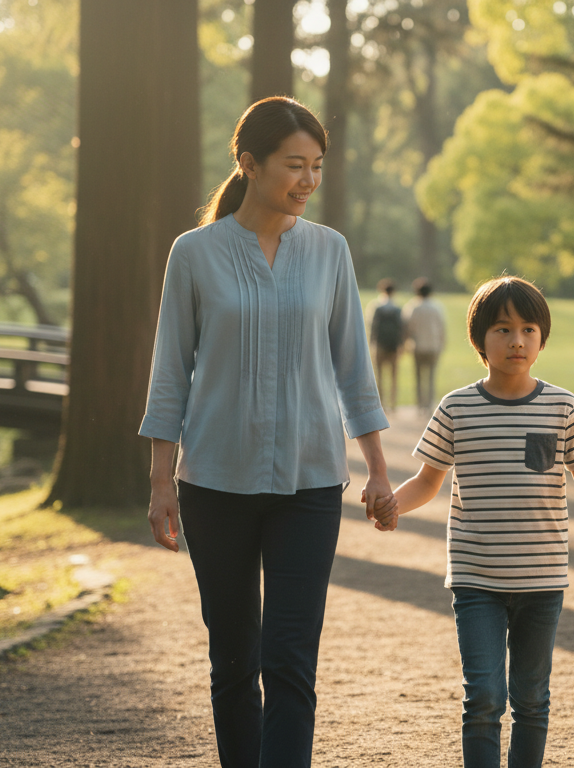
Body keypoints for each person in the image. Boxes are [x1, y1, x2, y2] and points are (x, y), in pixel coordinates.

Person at [139, 96, 395, 768]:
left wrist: (377, 467)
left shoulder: (330, 250)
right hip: (214, 483)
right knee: (233, 660)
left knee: (290, 658)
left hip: (311, 481)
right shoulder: (193, 253)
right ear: (249, 165)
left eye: (317, 166)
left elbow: (353, 367)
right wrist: (161, 483)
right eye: (294, 165)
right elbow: (170, 373)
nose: (309, 180)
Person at [377, 276, 574, 768]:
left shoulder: (562, 407)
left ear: (542, 338)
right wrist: (392, 504)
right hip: (475, 580)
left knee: (531, 699)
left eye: (528, 329)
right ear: (480, 339)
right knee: (483, 696)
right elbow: (427, 480)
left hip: (542, 580)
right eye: (502, 329)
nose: (517, 340)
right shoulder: (456, 408)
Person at [402, 277, 446, 412]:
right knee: (431, 377)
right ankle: (429, 404)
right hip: (433, 346)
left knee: (419, 377)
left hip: (418, 346)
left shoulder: (413, 306)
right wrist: (442, 344)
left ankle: (420, 404)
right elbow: (442, 328)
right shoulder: (437, 307)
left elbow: (408, 327)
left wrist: (405, 343)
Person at [366, 279, 403, 410]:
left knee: (379, 376)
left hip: (379, 345)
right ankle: (393, 404)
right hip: (393, 345)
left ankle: (381, 403)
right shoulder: (397, 308)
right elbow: (401, 328)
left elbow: (372, 326)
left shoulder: (376, 307)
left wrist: (371, 343)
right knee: (393, 376)